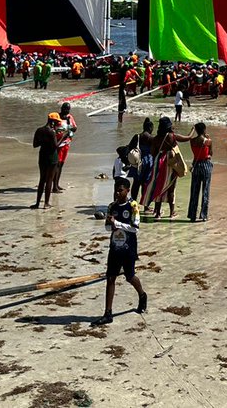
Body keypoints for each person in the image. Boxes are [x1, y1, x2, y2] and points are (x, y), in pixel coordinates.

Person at [93, 177, 148, 326]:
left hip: (128, 248)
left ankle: (142, 295)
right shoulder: (112, 206)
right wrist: (111, 225)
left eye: (120, 190)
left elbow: (135, 227)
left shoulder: (133, 206)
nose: (117, 193)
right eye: (116, 190)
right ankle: (108, 313)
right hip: (115, 247)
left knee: (130, 277)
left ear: (127, 191)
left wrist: (117, 223)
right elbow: (107, 228)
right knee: (110, 278)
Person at [144, 116, 179, 218]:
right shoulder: (171, 136)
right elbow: (186, 138)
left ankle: (157, 213)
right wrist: (192, 131)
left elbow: (152, 152)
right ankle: (172, 212)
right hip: (169, 164)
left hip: (158, 164)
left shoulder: (156, 138)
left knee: (158, 188)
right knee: (171, 189)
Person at [179, 121, 213, 222]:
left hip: (196, 165)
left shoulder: (192, 141)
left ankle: (192, 215)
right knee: (205, 191)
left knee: (194, 191)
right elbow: (211, 153)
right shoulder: (208, 141)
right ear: (204, 130)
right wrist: (208, 138)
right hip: (205, 165)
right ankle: (203, 215)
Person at [32, 113, 61, 209]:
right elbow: (55, 146)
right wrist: (64, 136)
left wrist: (44, 141)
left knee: (42, 180)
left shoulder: (39, 130)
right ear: (52, 122)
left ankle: (37, 203)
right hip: (52, 157)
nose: (57, 124)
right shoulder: (52, 132)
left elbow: (35, 144)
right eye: (56, 122)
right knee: (49, 180)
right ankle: (46, 203)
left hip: (42, 156)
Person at [53, 103, 77, 191]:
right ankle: (54, 186)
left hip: (66, 143)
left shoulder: (70, 117)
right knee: (57, 165)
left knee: (61, 164)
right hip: (58, 144)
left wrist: (70, 128)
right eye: (65, 109)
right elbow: (53, 129)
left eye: (68, 109)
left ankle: (57, 184)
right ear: (61, 108)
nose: (66, 111)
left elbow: (75, 127)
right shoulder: (57, 118)